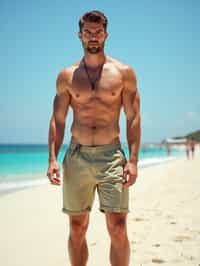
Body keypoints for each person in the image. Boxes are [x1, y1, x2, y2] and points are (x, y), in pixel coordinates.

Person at [47, 10, 141, 266]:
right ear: (79, 35)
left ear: (106, 34)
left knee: (118, 226)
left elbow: (133, 118)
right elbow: (58, 120)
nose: (93, 37)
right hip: (77, 157)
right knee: (77, 227)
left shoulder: (124, 73)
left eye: (98, 32)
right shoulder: (66, 76)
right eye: (87, 32)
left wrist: (133, 161)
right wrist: (52, 159)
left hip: (111, 156)